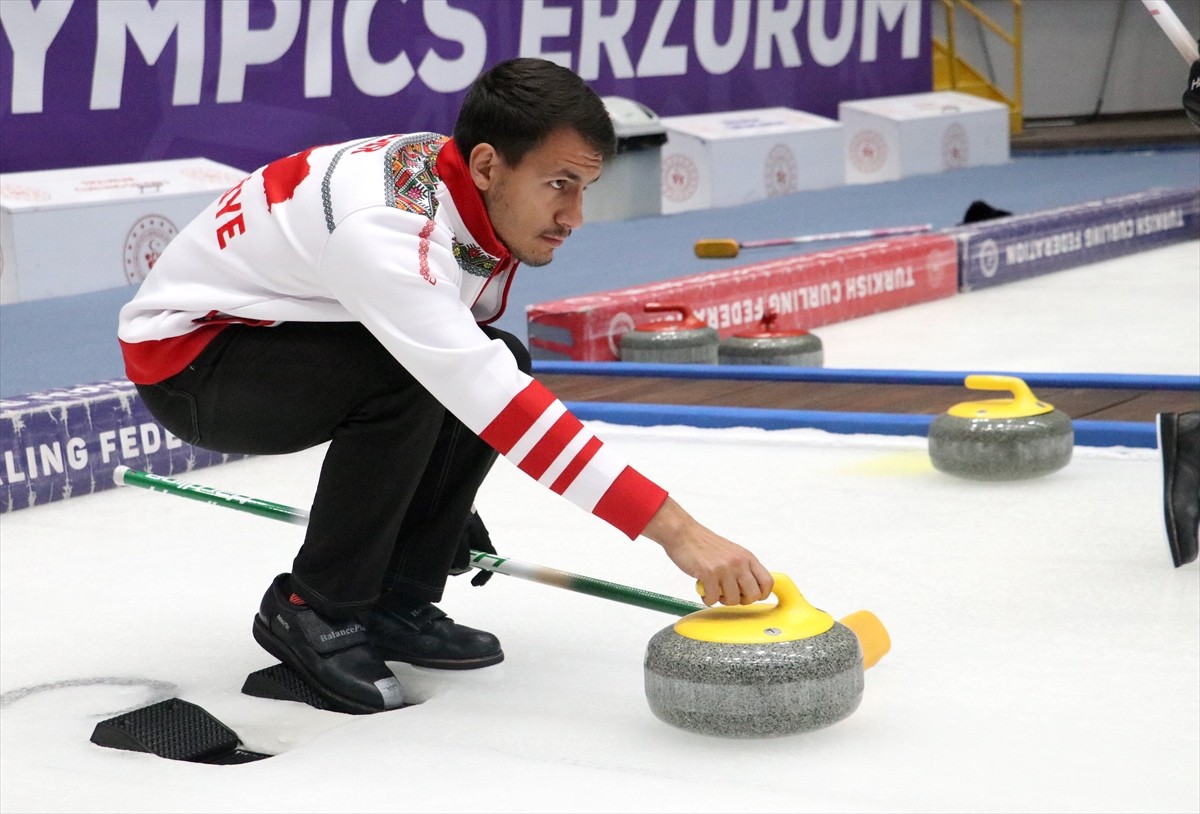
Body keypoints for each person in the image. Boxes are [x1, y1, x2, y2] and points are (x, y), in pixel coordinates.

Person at [117, 58, 774, 714]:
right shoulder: (387, 229)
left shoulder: (453, 182)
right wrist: (679, 532)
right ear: (487, 165)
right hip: (190, 363)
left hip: (272, 331)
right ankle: (314, 608)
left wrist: (429, 506)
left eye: (585, 188)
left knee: (498, 356)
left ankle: (394, 595)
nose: (575, 215)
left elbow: (476, 362)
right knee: (418, 376)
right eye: (559, 184)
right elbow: (487, 396)